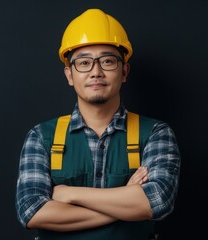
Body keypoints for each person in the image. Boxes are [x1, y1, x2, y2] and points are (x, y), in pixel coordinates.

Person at [15, 8, 180, 240]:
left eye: (107, 61)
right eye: (84, 62)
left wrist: (68, 193)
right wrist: (127, 199)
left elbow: (157, 202)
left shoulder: (155, 133)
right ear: (69, 75)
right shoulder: (42, 137)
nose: (96, 72)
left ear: (124, 71)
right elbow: (31, 211)